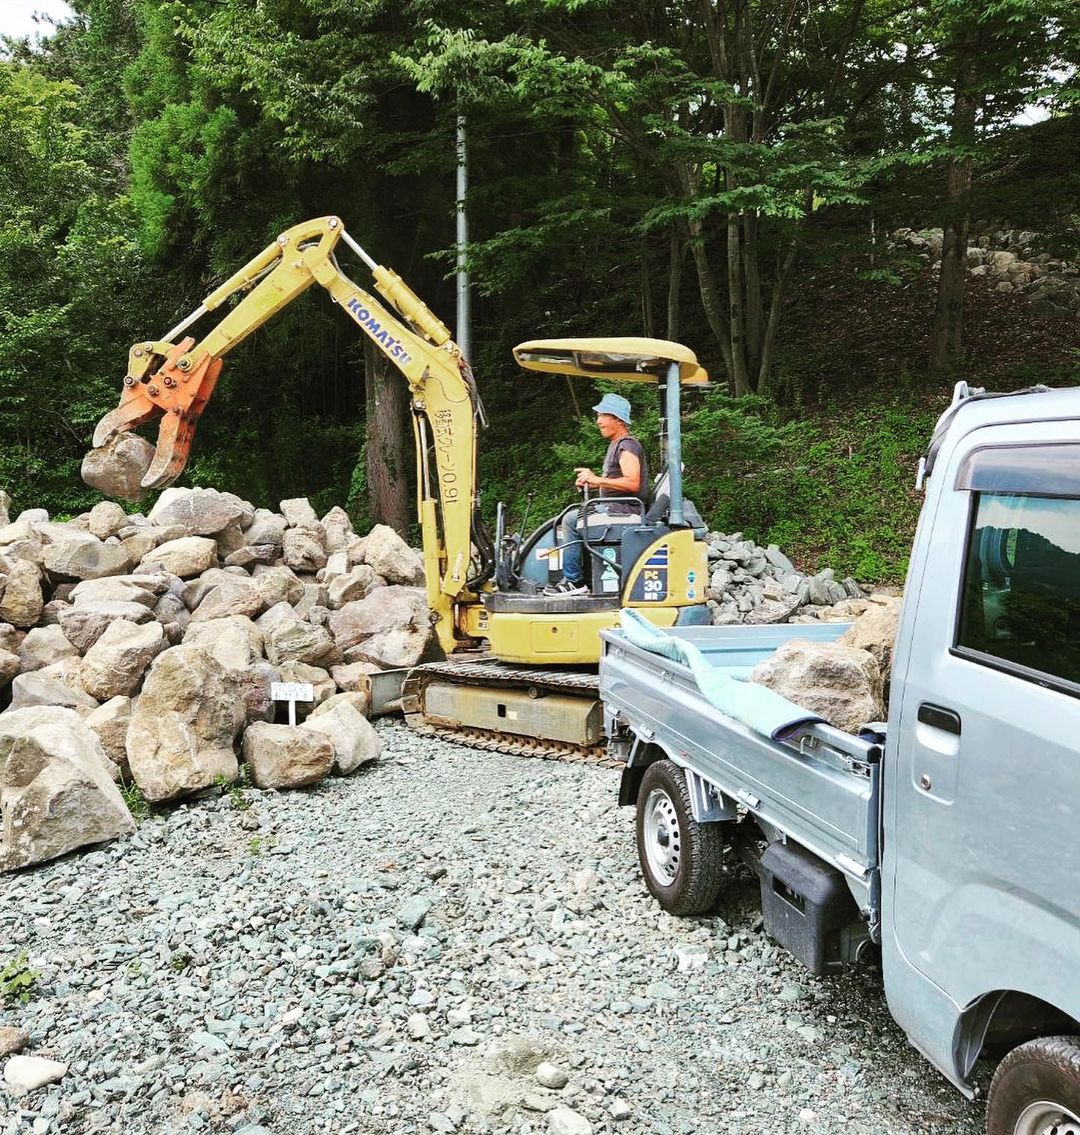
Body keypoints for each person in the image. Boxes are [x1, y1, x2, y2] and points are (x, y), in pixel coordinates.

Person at [545, 392, 649, 596]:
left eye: (602, 415)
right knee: (573, 518)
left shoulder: (627, 444)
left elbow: (633, 482)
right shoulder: (617, 445)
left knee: (570, 520)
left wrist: (597, 479)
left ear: (618, 420)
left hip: (625, 510)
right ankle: (578, 578)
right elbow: (617, 482)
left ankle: (574, 581)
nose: (598, 420)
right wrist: (591, 485)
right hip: (615, 507)